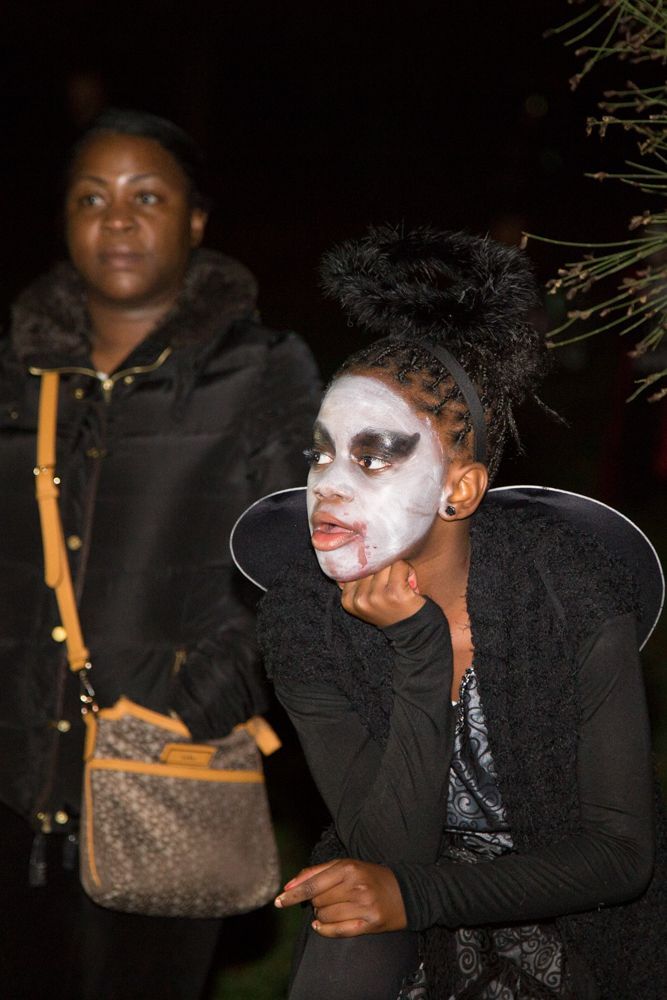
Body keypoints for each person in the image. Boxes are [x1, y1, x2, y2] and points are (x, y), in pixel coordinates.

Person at [244, 226, 666, 999]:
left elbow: (617, 855)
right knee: (347, 925)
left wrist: (421, 895)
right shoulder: (303, 617)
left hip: (573, 907)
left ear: (459, 488)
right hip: (396, 883)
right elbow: (387, 847)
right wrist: (416, 651)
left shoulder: (567, 598)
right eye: (319, 452)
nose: (329, 485)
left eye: (372, 455)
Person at [0, 108, 320, 1000]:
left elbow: (302, 559)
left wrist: (193, 707)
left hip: (166, 774)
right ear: (65, 221)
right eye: (91, 197)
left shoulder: (262, 370)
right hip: (14, 784)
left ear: (194, 220)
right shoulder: (17, 374)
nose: (118, 217)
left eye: (148, 195)